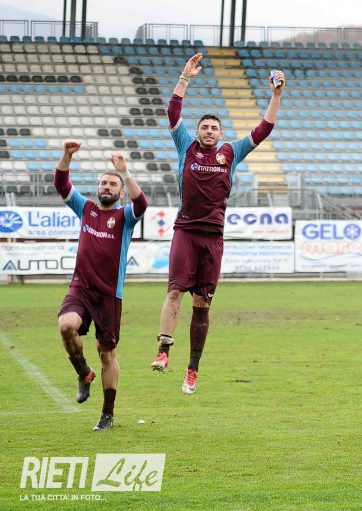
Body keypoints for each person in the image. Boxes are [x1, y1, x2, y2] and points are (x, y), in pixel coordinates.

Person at [149, 53, 284, 394]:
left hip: (213, 237)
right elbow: (172, 112)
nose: (208, 132)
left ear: (221, 133)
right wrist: (184, 77)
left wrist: (276, 95)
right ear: (197, 132)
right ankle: (163, 350)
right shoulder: (185, 145)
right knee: (175, 290)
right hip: (185, 231)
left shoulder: (231, 152)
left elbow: (264, 129)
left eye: (213, 128)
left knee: (202, 303)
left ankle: (192, 370)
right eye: (204, 128)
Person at [55, 140, 147, 431]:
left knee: (106, 353)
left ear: (120, 193)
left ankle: (107, 414)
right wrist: (67, 155)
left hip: (109, 295)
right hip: (81, 288)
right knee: (66, 325)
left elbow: (142, 204)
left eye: (112, 184)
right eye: (104, 183)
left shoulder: (124, 217)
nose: (107, 187)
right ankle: (83, 372)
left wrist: (125, 171)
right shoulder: (86, 209)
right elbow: (61, 184)